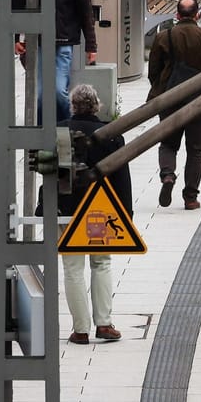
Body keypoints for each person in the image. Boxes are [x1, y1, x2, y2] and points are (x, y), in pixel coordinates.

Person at [51, 83, 132, 344]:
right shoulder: (110, 132)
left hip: (68, 209)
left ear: (72, 105)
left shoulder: (60, 130)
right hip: (100, 210)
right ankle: (105, 324)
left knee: (73, 268)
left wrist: (45, 208)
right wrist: (125, 212)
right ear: (98, 105)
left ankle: (81, 329)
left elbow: (49, 173)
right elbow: (121, 174)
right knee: (102, 262)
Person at [147, 0, 201, 210]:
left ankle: (168, 175)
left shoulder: (163, 37)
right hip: (199, 100)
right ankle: (190, 197)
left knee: (168, 144)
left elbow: (153, 72)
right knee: (196, 150)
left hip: (170, 98)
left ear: (177, 15)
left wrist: (161, 92)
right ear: (198, 15)